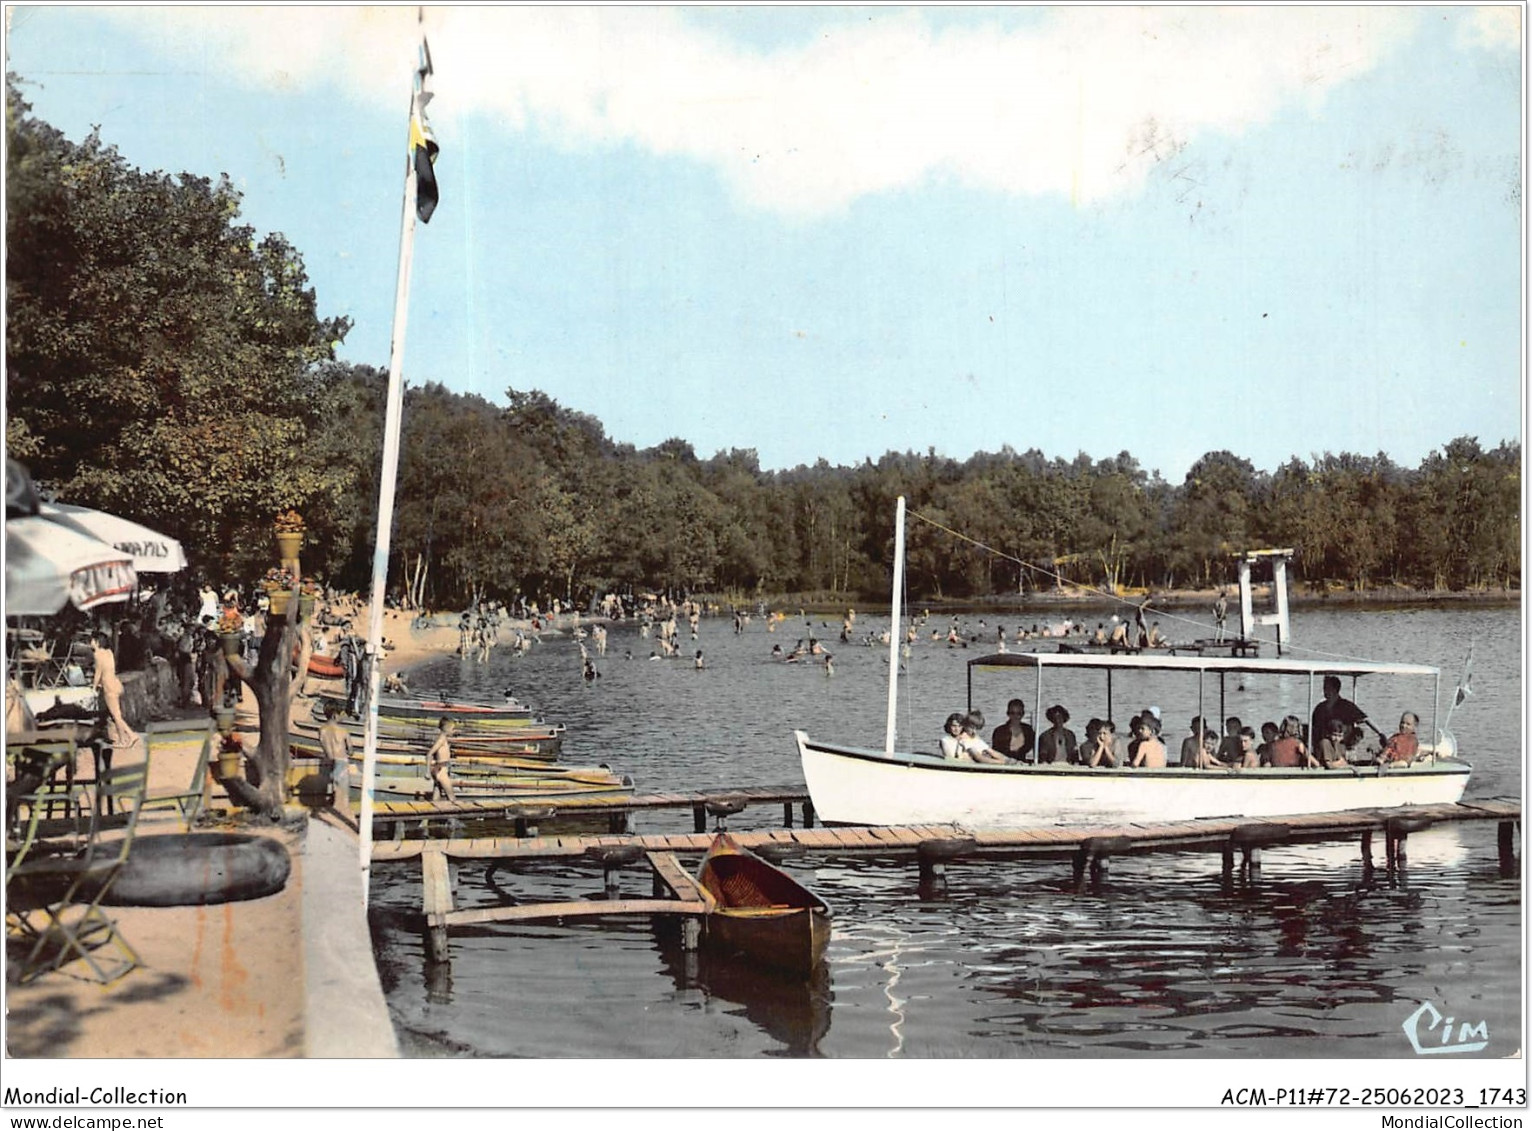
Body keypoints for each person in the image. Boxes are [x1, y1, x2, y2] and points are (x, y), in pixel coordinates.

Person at [91, 631, 139, 750]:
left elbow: (98, 673)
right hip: (116, 683)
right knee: (116, 714)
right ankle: (122, 739)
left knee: (116, 716)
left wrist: (93, 687)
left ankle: (131, 735)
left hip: (108, 686)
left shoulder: (98, 654)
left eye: (92, 640)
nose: (90, 643)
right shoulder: (109, 652)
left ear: (97, 642)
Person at [1311, 676, 1368, 754]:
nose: (1325, 691)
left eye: (1327, 688)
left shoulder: (1347, 706)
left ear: (1335, 689)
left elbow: (1364, 720)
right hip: (1323, 744)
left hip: (1343, 744)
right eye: (1324, 688)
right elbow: (1314, 727)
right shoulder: (1320, 708)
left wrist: (1380, 734)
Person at [317, 713, 355, 826]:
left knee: (329, 795)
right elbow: (351, 750)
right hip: (341, 762)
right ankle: (340, 824)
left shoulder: (321, 730)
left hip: (327, 763)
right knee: (342, 800)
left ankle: (328, 819)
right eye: (340, 715)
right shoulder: (343, 731)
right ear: (334, 715)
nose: (341, 717)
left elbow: (323, 745)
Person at [427, 717, 457, 802]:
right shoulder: (441, 740)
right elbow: (429, 754)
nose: (454, 731)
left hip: (439, 770)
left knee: (435, 799)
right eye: (453, 729)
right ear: (447, 729)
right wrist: (427, 772)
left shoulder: (443, 739)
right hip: (441, 771)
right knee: (452, 798)